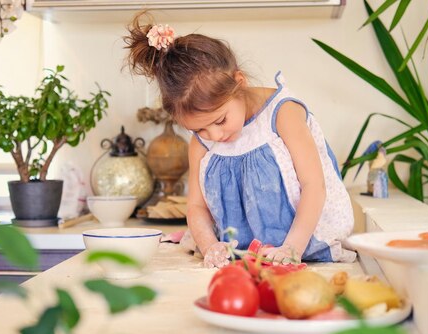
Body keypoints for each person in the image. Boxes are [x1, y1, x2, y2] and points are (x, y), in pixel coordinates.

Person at [124, 15, 355, 268]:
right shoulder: (201, 142)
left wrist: (292, 248)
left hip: (306, 250)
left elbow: (314, 186)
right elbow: (196, 207)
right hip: (246, 259)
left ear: (239, 82)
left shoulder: (282, 114)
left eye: (220, 120)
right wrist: (209, 245)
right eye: (199, 129)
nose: (214, 136)